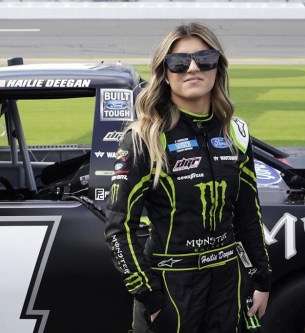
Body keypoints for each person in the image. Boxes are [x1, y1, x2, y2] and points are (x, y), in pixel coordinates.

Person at [104, 22, 272, 333]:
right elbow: (118, 228)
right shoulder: (145, 137)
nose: (192, 68)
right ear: (164, 73)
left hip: (226, 286)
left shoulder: (236, 132)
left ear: (217, 68)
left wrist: (261, 278)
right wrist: (150, 298)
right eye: (179, 62)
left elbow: (248, 214)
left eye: (204, 59)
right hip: (172, 290)